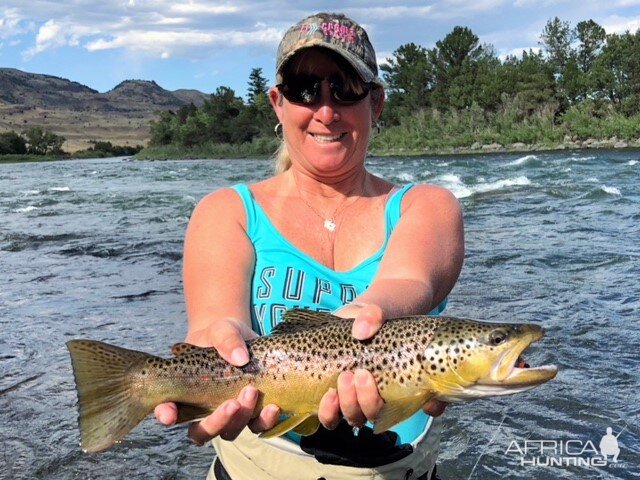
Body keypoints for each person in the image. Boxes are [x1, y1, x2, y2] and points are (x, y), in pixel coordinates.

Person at [155, 12, 464, 480]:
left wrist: (364, 316)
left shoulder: (428, 205)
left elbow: (411, 279)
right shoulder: (227, 211)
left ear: (376, 103)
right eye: (305, 89)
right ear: (278, 104)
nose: (325, 110)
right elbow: (220, 321)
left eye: (344, 88)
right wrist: (218, 342)